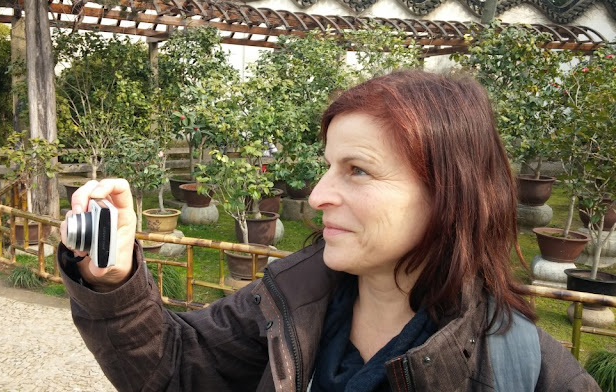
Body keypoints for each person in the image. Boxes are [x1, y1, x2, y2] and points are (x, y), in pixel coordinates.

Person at [59, 70, 600, 391]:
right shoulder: (291, 300)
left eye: (357, 170)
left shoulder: (533, 376)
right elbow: (178, 367)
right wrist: (114, 279)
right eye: (328, 165)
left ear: (449, 195)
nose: (318, 196)